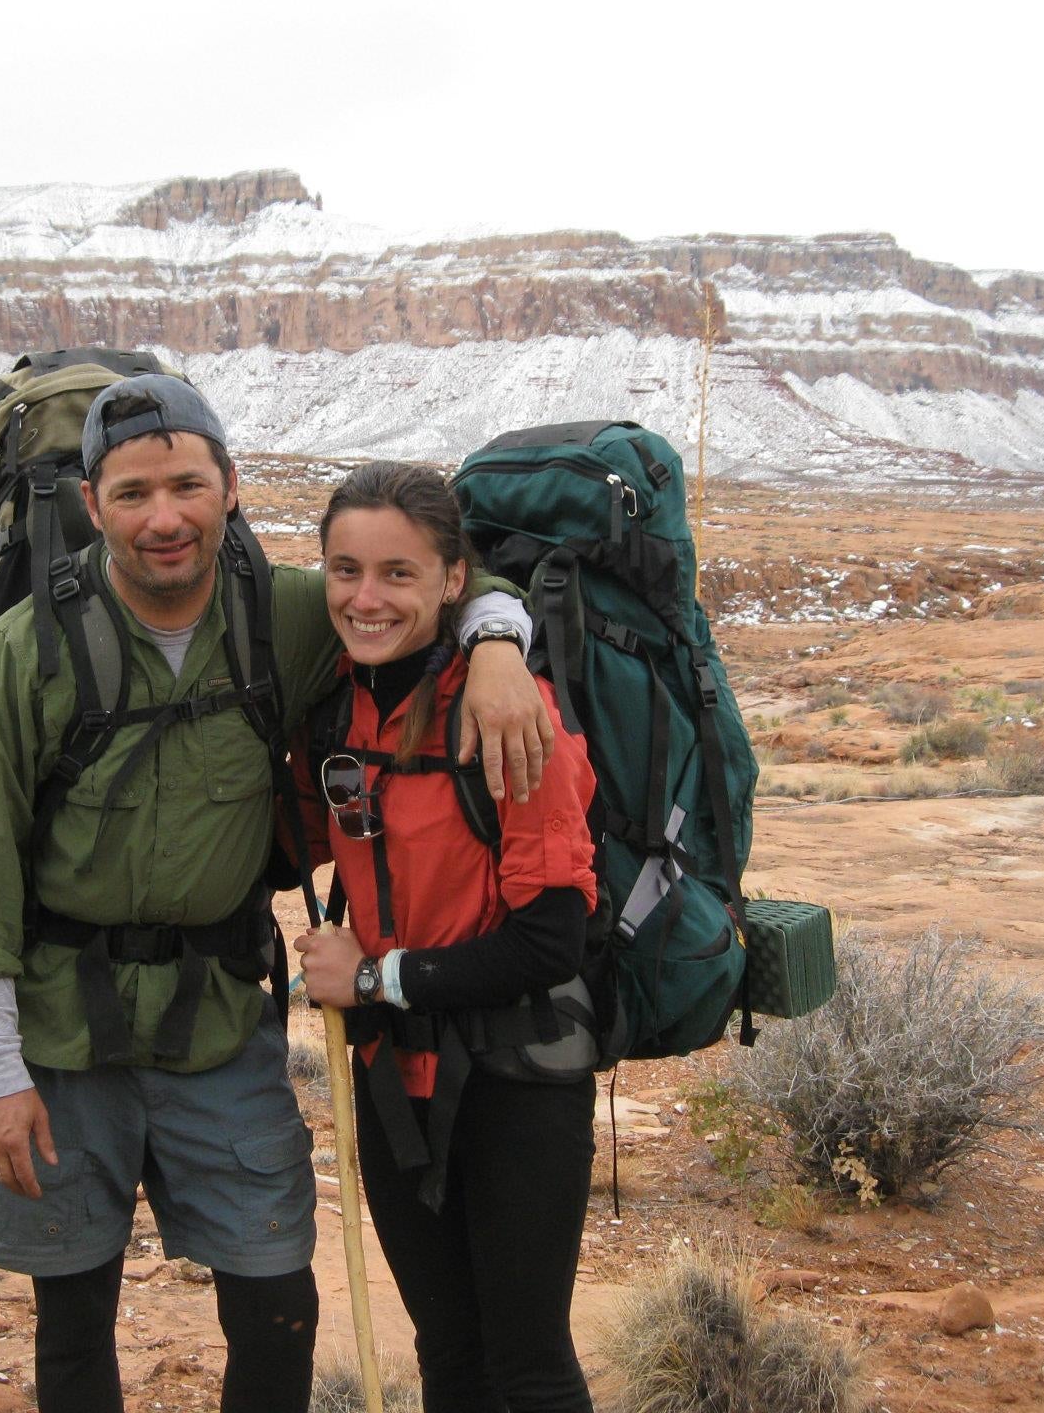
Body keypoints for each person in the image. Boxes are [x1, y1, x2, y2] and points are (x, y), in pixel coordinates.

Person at [0, 376, 554, 1413]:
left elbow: (449, 584)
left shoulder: (285, 613)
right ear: (93, 505)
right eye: (131, 493)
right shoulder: (25, 650)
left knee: (275, 1296)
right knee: (74, 1311)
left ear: (230, 486)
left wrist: (496, 647)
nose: (163, 518)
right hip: (56, 1029)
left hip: (217, 1019)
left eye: (186, 485)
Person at [293, 461, 600, 1413]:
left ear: (454, 580)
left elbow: (552, 942)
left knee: (529, 1369)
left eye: (398, 573)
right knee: (451, 1358)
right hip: (394, 1086)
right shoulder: (331, 705)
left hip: (516, 1085)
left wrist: (376, 978)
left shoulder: (507, 711)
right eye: (345, 571)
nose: (367, 598)